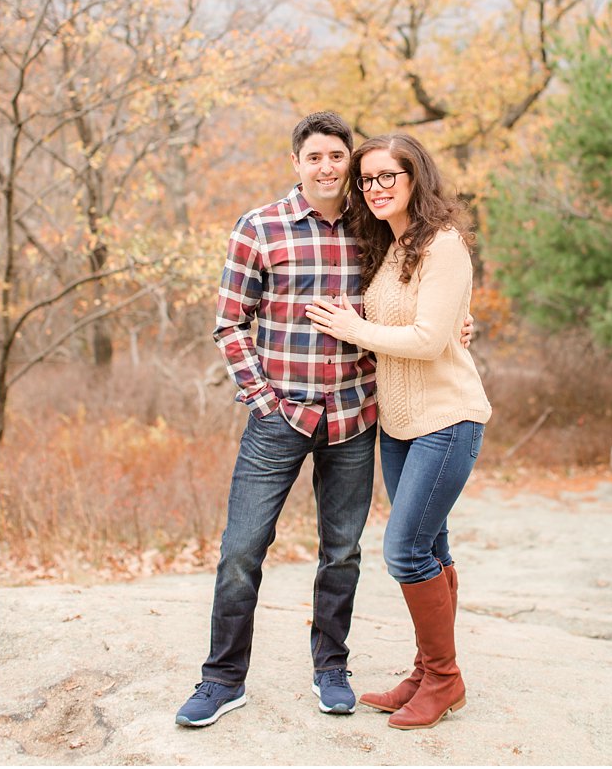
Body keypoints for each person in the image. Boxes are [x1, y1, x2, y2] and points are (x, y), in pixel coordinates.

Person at [175, 112, 472, 729]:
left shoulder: (375, 233)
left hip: (356, 415)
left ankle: (331, 670)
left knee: (342, 554)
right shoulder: (260, 228)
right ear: (298, 164)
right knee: (241, 551)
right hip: (279, 417)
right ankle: (223, 679)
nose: (330, 169)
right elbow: (230, 324)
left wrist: (460, 326)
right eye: (316, 158)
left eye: (340, 158)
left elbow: (420, 306)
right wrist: (264, 401)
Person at [305, 133, 491, 731]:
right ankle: (426, 670)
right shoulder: (388, 247)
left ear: (416, 178)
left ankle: (445, 678)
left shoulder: (443, 244)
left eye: (389, 176)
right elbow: (427, 319)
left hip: (447, 419)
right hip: (399, 426)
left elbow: (428, 340)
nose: (375, 187)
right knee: (432, 548)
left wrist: (350, 327)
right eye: (367, 180)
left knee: (405, 551)